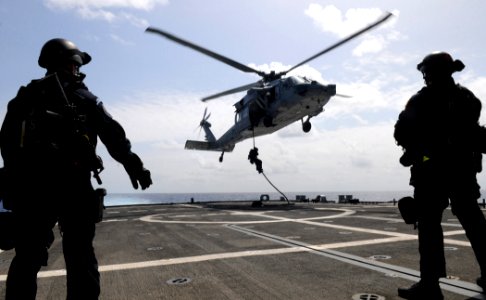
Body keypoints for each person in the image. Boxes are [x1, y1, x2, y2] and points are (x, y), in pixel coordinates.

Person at [0, 38, 152, 299]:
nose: (77, 71)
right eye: (75, 66)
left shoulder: (26, 96)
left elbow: (7, 142)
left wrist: (15, 180)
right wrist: (134, 166)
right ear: (71, 65)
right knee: (81, 257)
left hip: (33, 191)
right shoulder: (85, 98)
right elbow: (113, 136)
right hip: (74, 187)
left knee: (27, 259)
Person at [394, 52, 486, 299]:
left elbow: (400, 133)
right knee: (474, 223)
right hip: (462, 170)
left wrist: (418, 150)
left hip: (430, 171)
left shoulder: (421, 100)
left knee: (429, 227)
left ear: (430, 72)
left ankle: (430, 285)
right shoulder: (468, 98)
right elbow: (475, 131)